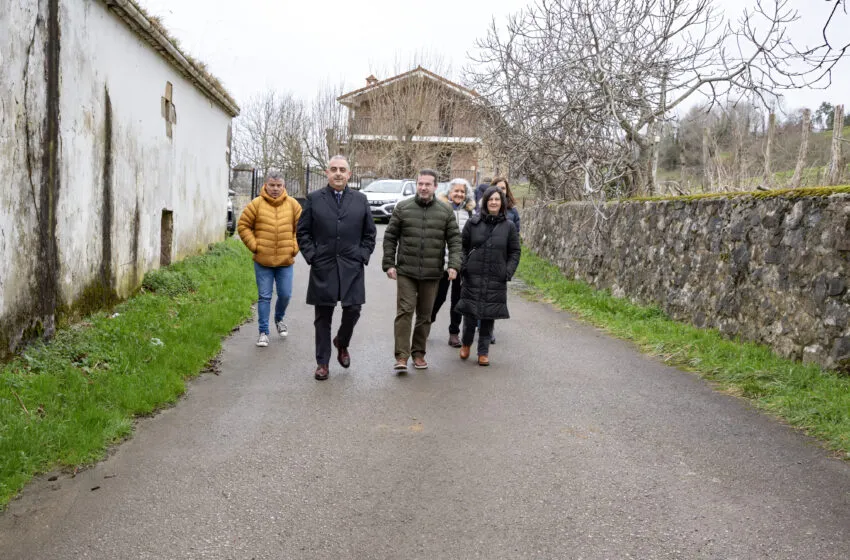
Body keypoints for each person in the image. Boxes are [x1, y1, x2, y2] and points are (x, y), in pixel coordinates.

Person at [296, 155, 377, 381]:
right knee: (323, 316)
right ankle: (322, 363)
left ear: (349, 174)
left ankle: (342, 342)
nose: (338, 173)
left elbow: (370, 233)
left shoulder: (360, 200)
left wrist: (363, 254)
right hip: (324, 266)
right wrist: (312, 256)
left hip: (352, 265)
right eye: (334, 169)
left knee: (353, 310)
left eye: (342, 169)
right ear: (327, 172)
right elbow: (302, 232)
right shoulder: (314, 199)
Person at [383, 169, 462, 372]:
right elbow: (390, 237)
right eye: (420, 183)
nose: (424, 187)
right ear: (416, 185)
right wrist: (389, 264)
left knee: (425, 315)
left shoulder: (445, 212)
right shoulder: (403, 208)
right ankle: (401, 356)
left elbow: (454, 240)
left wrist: (453, 265)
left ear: (435, 187)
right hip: (406, 271)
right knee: (405, 311)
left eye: (428, 184)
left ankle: (418, 354)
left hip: (432, 273)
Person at [455, 186, 522, 366]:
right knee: (470, 313)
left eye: (497, 200)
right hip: (473, 274)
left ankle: (483, 352)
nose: (494, 202)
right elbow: (462, 246)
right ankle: (466, 343)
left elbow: (515, 251)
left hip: (496, 277)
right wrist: (463, 266)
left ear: (502, 203)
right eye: (490, 199)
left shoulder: (508, 227)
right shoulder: (473, 223)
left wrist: (507, 272)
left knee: (488, 315)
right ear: (485, 202)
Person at [237, 170, 302, 348]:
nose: (275, 189)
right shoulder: (256, 204)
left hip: (285, 261)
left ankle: (279, 318)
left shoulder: (293, 205)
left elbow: (302, 229)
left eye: (278, 185)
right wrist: (255, 246)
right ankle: (263, 332)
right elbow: (243, 225)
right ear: (265, 185)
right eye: (272, 185)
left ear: (284, 186)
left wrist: (294, 247)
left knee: (285, 294)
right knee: (264, 297)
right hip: (263, 261)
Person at [430, 178, 475, 348]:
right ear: (449, 192)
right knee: (438, 297)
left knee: (458, 300)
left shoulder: (471, 213)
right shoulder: (439, 210)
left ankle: (454, 333)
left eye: (462, 191)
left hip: (461, 265)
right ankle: (427, 322)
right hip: (441, 264)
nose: (459, 194)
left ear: (466, 194)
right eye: (456, 191)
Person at [485, 176, 520, 345]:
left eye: (504, 189)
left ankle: (488, 331)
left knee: (492, 298)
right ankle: (480, 327)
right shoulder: (484, 209)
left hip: (501, 260)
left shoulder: (512, 213)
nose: (501, 191)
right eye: (498, 188)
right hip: (483, 260)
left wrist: (508, 269)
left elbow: (515, 241)